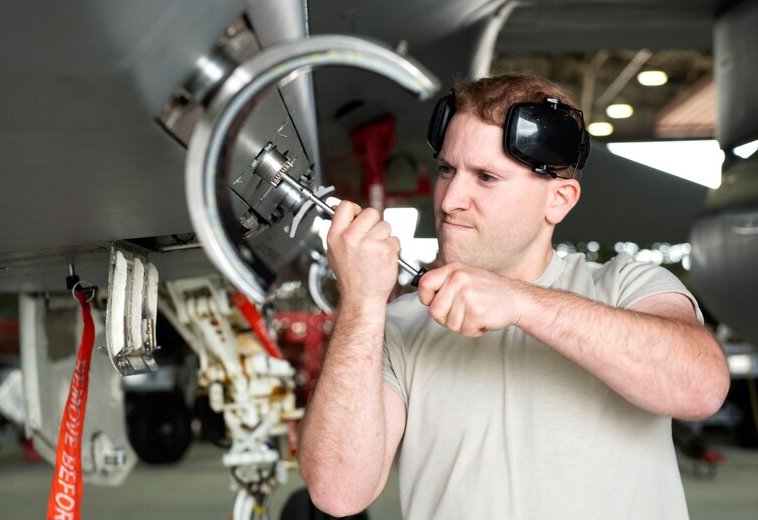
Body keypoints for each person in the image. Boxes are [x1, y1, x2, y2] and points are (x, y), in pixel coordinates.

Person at [297, 74, 730, 519]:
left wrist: (520, 302)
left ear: (558, 200)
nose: (449, 201)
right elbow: (336, 492)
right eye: (447, 169)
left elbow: (700, 388)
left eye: (485, 177)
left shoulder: (627, 286)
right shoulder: (400, 325)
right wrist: (362, 304)